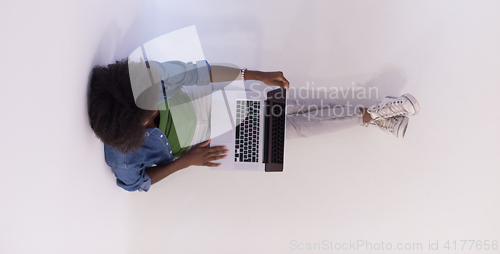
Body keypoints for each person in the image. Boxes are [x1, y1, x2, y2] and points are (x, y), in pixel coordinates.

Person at [88, 58, 420, 192]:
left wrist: (253, 74)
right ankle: (375, 115)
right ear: (133, 126)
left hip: (223, 106)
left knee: (299, 105)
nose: (157, 102)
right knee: (295, 130)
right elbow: (136, 183)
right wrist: (186, 162)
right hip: (217, 142)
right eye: (148, 113)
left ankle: (375, 114)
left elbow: (197, 73)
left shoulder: (148, 81)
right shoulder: (122, 155)